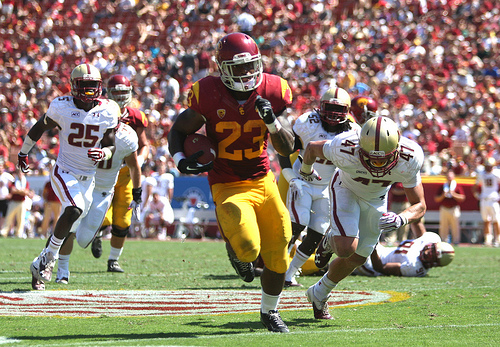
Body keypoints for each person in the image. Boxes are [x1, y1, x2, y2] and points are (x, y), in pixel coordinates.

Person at [168, 32, 295, 333]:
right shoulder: (208, 93)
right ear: (223, 68)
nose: (247, 73)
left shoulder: (273, 90)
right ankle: (234, 248)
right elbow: (178, 130)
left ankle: (269, 312)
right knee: (250, 249)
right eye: (239, 68)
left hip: (263, 179)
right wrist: (179, 160)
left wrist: (272, 122)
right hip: (227, 183)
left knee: (280, 249)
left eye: (251, 65)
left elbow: (287, 146)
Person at [300, 116, 426, 320]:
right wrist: (305, 171)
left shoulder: (410, 157)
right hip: (345, 189)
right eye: (372, 157)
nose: (377, 164)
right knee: (346, 248)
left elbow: (420, 206)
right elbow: (313, 148)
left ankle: (319, 293)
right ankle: (331, 239)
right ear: (360, 147)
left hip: (377, 199)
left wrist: (400, 219)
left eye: (383, 158)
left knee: (359, 257)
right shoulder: (344, 145)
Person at [19, 63, 118, 291]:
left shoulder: (108, 110)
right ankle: (48, 261)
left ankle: (40, 265)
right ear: (74, 86)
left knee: (70, 225)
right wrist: (24, 152)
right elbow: (38, 127)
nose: (89, 91)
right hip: (64, 170)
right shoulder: (61, 107)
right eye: (85, 86)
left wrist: (103, 152)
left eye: (93, 86)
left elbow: (110, 145)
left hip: (88, 176)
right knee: (74, 209)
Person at [279, 86, 359, 288]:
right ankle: (275, 267)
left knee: (318, 231)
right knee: (299, 222)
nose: (333, 113)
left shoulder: (354, 132)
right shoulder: (308, 123)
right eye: (330, 107)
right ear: (321, 107)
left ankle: (289, 274)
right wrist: (291, 178)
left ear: (347, 111)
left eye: (338, 109)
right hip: (302, 179)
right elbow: (283, 151)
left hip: (327, 187)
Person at [54, 121, 142, 286]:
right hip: (82, 183)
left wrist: (137, 192)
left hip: (103, 190)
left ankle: (93, 236)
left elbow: (133, 165)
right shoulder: (88, 129)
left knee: (84, 239)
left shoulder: (126, 136)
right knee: (70, 227)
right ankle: (62, 270)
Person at [91, 74, 150, 273]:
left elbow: (144, 145)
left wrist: (139, 161)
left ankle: (113, 260)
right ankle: (97, 233)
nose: (119, 96)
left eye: (123, 92)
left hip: (125, 174)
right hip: (103, 171)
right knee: (102, 217)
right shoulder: (98, 111)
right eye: (115, 92)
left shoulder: (135, 116)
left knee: (123, 220)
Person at [352, 232, 455, 277]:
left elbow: (380, 268)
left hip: (370, 265)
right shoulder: (431, 238)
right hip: (380, 249)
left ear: (435, 264)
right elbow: (417, 223)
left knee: (352, 242)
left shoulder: (414, 267)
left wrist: (372, 246)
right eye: (431, 250)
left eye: (432, 256)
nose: (428, 252)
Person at [472, 157, 500, 247]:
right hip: (484, 199)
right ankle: (488, 239)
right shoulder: (481, 174)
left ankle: (497, 239)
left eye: (490, 166)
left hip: (493, 200)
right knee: (486, 220)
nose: (488, 168)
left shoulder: (496, 173)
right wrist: (477, 196)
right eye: (487, 166)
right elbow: (474, 186)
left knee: (496, 220)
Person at [434, 169, 466, 245]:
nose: (449, 178)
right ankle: (444, 241)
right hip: (444, 208)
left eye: (450, 176)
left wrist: (453, 194)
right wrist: (443, 195)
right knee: (443, 227)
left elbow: (462, 198)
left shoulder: (457, 186)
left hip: (454, 208)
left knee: (455, 226)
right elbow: (436, 199)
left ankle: (456, 241)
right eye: (448, 176)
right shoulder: (442, 186)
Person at [0, 170, 34, 238]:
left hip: (21, 202)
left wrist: (18, 191)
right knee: (9, 217)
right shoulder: (14, 182)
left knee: (20, 219)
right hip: (13, 202)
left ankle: (19, 233)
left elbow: (26, 192)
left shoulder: (25, 182)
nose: (20, 174)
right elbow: (13, 190)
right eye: (19, 173)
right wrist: (21, 191)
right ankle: (4, 231)